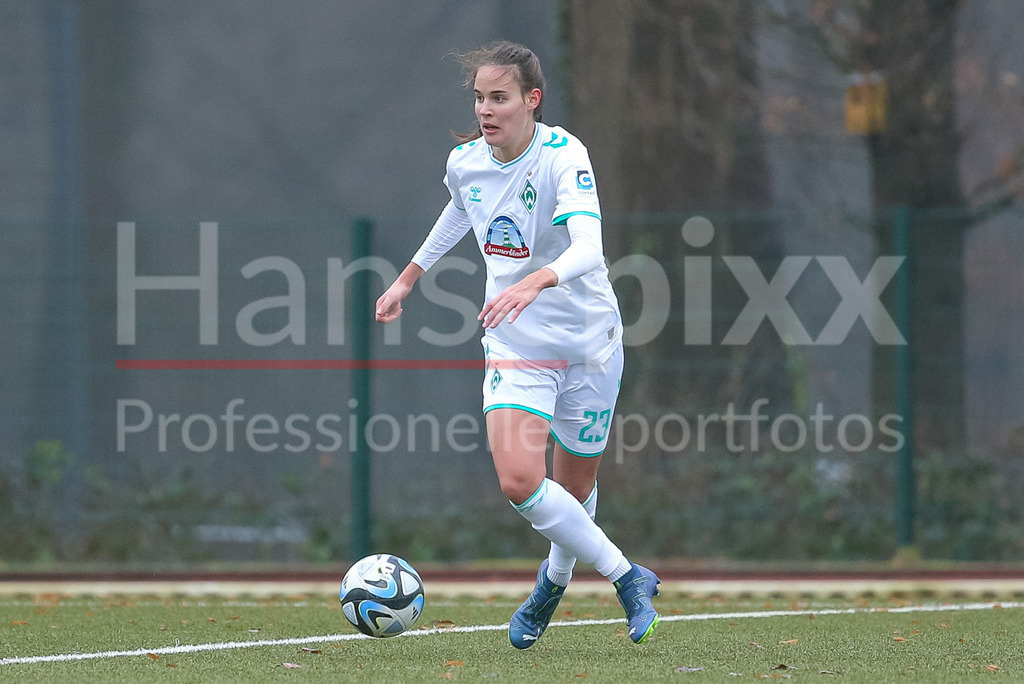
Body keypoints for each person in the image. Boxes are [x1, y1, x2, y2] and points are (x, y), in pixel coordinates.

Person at [375, 40, 660, 647]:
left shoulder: (564, 156)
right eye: (479, 97)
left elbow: (589, 248)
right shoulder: (465, 162)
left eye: (499, 98)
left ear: (532, 99)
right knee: (520, 481)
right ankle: (627, 576)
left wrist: (536, 280)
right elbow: (460, 210)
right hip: (516, 343)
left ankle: (551, 585)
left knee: (573, 493)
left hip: (589, 343)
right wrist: (407, 278)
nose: (485, 109)